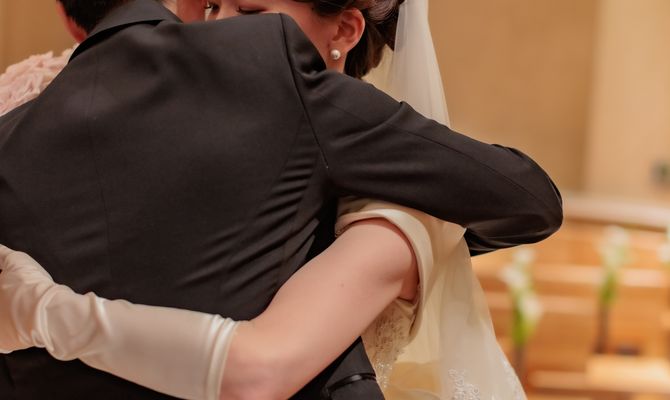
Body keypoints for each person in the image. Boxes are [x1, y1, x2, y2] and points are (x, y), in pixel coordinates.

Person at [0, 0, 562, 399]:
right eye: (213, 6)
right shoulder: (189, 132)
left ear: (345, 29)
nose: (218, 26)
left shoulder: (383, 215)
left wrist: (41, 311)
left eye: (249, 12)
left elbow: (257, 370)